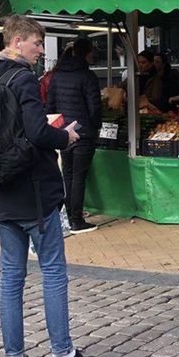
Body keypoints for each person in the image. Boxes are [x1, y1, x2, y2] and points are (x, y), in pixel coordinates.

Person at [0, 15, 99, 357]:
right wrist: (66, 136)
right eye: (36, 44)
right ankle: (63, 353)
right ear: (16, 42)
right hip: (34, 191)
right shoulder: (23, 78)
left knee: (11, 276)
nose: (41, 51)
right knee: (53, 271)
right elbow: (38, 132)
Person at [46, 38, 102, 235]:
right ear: (87, 54)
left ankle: (68, 215)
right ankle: (76, 220)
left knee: (68, 174)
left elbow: (50, 107)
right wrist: (95, 126)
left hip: (63, 133)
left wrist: (57, 130)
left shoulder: (57, 76)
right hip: (83, 132)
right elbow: (95, 108)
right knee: (78, 177)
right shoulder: (87, 77)